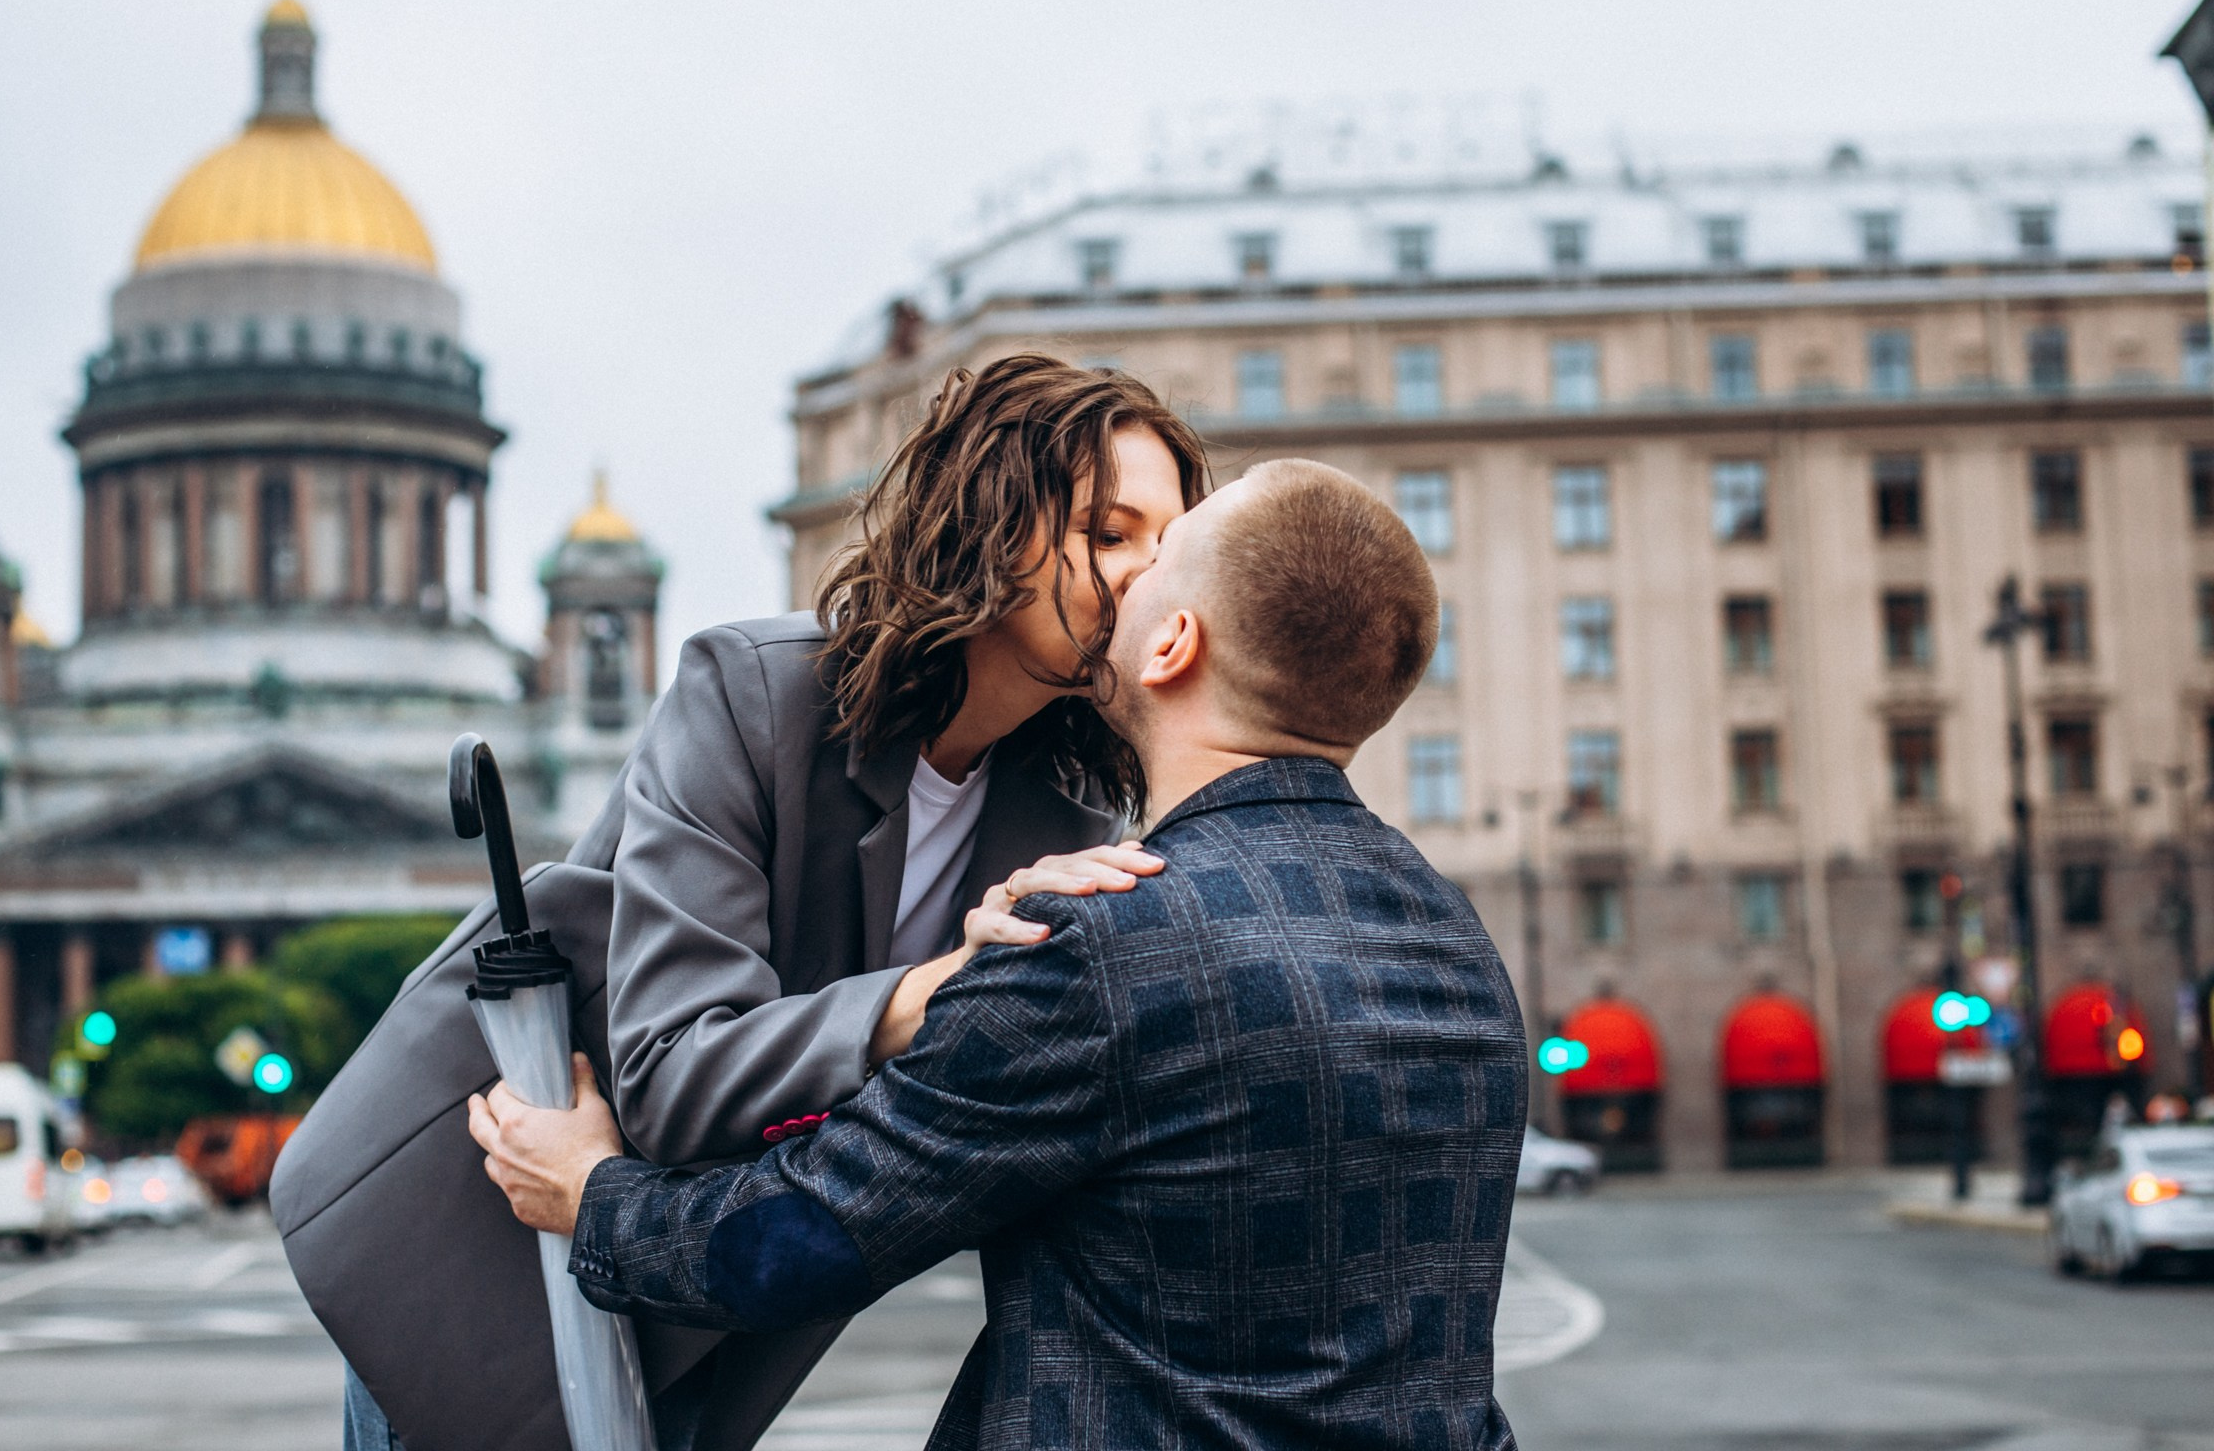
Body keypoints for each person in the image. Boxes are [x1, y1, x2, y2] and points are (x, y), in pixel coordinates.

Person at [471, 458, 1530, 1448]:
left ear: (1173, 646)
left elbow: (805, 1235)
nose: (1127, 571)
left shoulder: (1108, 939)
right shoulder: (1455, 939)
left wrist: (590, 1191)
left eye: (1159, 556)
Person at [347, 354, 1206, 1451]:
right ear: (993, 516)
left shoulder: (1074, 811)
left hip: (728, 1316)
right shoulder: (750, 697)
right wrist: (933, 993)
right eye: (1109, 530)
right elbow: (670, 1076)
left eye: (1168, 548)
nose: (1145, 578)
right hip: (493, 1288)